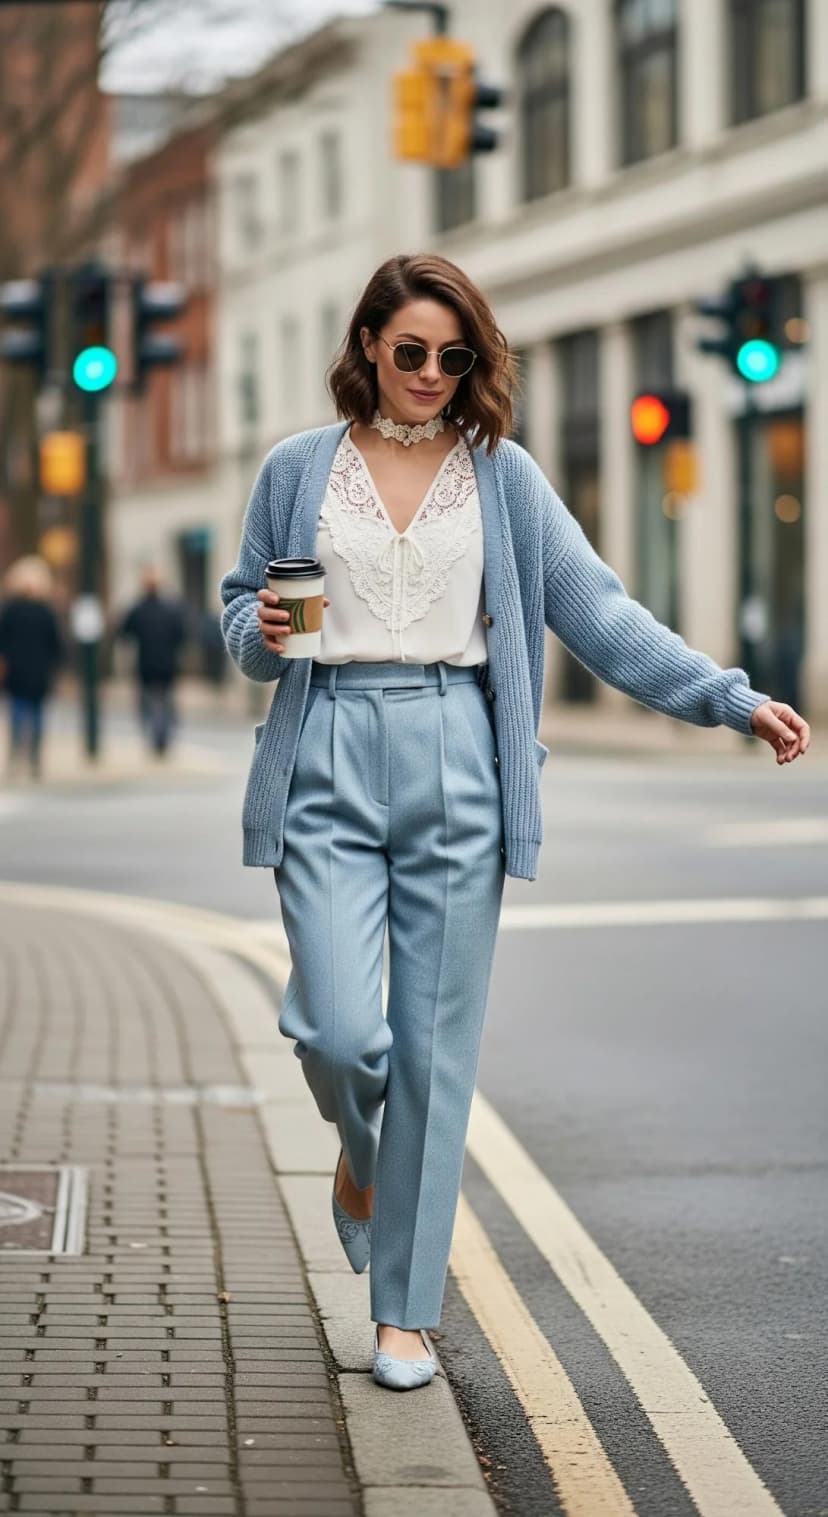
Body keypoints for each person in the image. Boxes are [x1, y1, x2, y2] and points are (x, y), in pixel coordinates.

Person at [219, 253, 810, 1392]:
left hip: (458, 754)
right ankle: (360, 1162)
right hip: (326, 744)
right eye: (411, 352)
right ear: (368, 351)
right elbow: (245, 613)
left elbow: (597, 610)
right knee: (339, 1031)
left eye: (456, 355)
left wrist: (728, 698)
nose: (433, 373)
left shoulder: (504, 475)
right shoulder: (298, 468)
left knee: (437, 1054)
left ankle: (403, 1313)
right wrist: (270, 633)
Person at [0, 554, 64, 780]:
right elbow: (56, 643)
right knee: (32, 715)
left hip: (21, 671)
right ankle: (31, 757)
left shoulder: (11, 611)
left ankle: (20, 755)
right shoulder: (44, 612)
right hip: (35, 671)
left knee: (21, 714)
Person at [117, 567, 187, 755]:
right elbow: (181, 635)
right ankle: (163, 733)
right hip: (167, 664)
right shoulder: (171, 609)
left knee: (148, 700)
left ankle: (155, 732)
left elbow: (124, 633)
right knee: (165, 699)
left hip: (145, 664)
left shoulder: (138, 609)